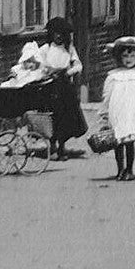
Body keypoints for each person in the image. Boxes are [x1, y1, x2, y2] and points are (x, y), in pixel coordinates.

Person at [100, 37, 135, 181]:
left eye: (132, 56)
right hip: (117, 111)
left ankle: (129, 169)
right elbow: (107, 95)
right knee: (118, 141)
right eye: (125, 56)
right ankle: (120, 169)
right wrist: (104, 112)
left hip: (132, 111)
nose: (128, 59)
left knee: (129, 141)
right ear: (119, 57)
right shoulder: (113, 75)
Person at [41, 16, 86, 161]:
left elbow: (78, 65)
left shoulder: (69, 49)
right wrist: (46, 72)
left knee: (65, 115)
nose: (59, 36)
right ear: (51, 34)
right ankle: (52, 145)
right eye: (56, 33)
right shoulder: (45, 49)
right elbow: (38, 65)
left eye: (62, 33)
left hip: (65, 86)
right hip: (49, 86)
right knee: (52, 115)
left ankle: (62, 146)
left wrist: (68, 72)